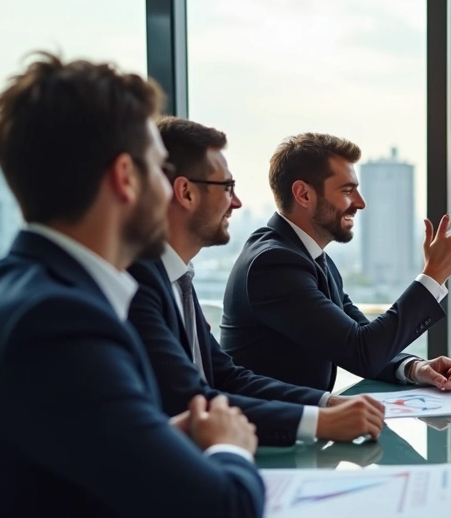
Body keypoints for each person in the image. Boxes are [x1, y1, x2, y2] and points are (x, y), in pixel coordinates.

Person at [0, 54, 263, 518]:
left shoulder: (13, 290)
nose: (169, 189)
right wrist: (230, 445)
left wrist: (158, 440)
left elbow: (59, 468)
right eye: (157, 168)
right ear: (126, 179)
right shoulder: (56, 323)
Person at [128, 117, 385, 446]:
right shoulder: (142, 284)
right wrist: (320, 421)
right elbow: (192, 400)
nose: (236, 202)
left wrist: (326, 403)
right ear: (186, 192)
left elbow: (227, 377)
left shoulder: (177, 279)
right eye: (227, 188)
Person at [221, 132, 451, 392]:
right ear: (303, 194)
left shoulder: (311, 257)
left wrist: (415, 368)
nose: (360, 203)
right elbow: (361, 351)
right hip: (268, 428)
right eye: (347, 191)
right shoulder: (273, 264)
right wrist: (433, 275)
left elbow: (362, 338)